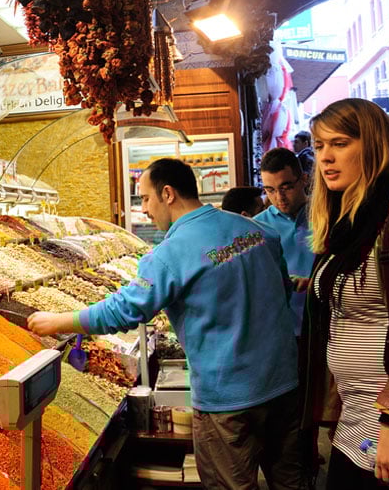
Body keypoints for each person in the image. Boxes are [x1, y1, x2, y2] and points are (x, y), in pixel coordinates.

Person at [29, 158, 302, 489]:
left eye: (145, 198)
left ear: (168, 194)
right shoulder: (257, 230)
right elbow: (284, 291)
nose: (144, 209)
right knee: (292, 482)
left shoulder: (170, 254)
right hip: (284, 384)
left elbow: (125, 310)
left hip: (227, 400)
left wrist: (58, 320)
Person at [301, 98, 389, 489]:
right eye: (319, 146)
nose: (325, 157)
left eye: (339, 143)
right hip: (352, 423)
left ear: (374, 146)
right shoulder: (343, 225)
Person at [255, 147, 312, 336]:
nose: (279, 198)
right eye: (270, 190)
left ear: (304, 179)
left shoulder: (329, 215)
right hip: (281, 331)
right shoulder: (257, 227)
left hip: (330, 328)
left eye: (286, 187)